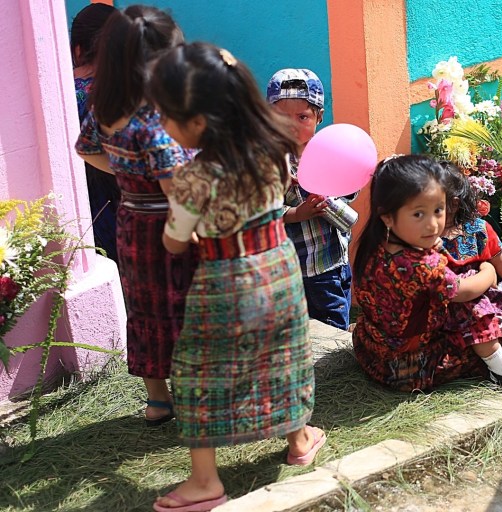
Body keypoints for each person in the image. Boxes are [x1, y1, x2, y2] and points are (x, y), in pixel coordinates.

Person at [149, 42, 325, 511]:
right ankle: (301, 439)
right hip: (279, 268)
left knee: (196, 373)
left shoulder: (194, 176)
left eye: (168, 117)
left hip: (225, 279)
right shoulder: (275, 152)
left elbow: (173, 241)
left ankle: (205, 481)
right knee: (285, 354)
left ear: (201, 120)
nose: (163, 127)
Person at [75, 5, 198, 428]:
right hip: (169, 228)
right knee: (183, 307)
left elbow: (86, 149)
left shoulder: (105, 107)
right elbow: (175, 189)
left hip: (131, 222)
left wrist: (130, 174)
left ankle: (157, 401)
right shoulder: (156, 122)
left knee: (145, 310)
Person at [353, 154, 502, 392]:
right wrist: (488, 272)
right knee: (481, 330)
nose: (433, 224)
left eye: (438, 210)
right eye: (418, 214)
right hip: (406, 367)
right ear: (387, 216)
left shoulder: (376, 245)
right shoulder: (420, 265)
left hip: (373, 347)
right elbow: (463, 292)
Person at [266, 69, 353, 331]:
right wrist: (296, 214)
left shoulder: (329, 151)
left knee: (334, 323)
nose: (292, 124)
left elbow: (350, 189)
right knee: (297, 328)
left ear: (319, 117)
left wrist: (328, 190)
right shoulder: (270, 160)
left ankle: (333, 366)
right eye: (282, 117)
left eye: (302, 116)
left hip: (331, 262)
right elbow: (262, 210)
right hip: (291, 268)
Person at [441, 164, 502, 387]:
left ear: (454, 202)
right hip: (457, 307)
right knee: (487, 342)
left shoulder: (478, 229)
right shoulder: (426, 235)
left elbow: (500, 259)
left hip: (490, 300)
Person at [70, 2, 120, 263]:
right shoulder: (128, 89)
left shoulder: (61, 89)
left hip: (82, 204)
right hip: (128, 198)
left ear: (78, 48)